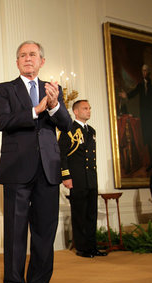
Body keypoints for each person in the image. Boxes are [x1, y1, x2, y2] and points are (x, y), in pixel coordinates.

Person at [0, 41, 71, 283]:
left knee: (45, 231)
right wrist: (35, 110)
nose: (28, 59)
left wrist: (53, 105)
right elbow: (1, 122)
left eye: (33, 55)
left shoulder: (52, 89)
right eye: (23, 55)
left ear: (42, 61)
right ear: (17, 62)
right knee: (15, 230)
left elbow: (67, 125)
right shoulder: (4, 89)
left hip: (47, 169)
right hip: (17, 168)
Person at [59, 100, 107, 258]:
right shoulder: (69, 129)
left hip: (91, 179)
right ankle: (82, 248)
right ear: (76, 112)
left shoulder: (91, 130)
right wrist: (66, 176)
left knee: (91, 214)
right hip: (77, 179)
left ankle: (92, 247)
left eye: (90, 108)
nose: (89, 111)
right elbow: (62, 155)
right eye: (85, 108)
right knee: (79, 214)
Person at [119, 64, 152, 169]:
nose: (144, 73)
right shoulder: (141, 85)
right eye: (143, 71)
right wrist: (126, 96)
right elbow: (133, 93)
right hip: (145, 116)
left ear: (149, 72)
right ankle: (151, 162)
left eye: (146, 70)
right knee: (147, 138)